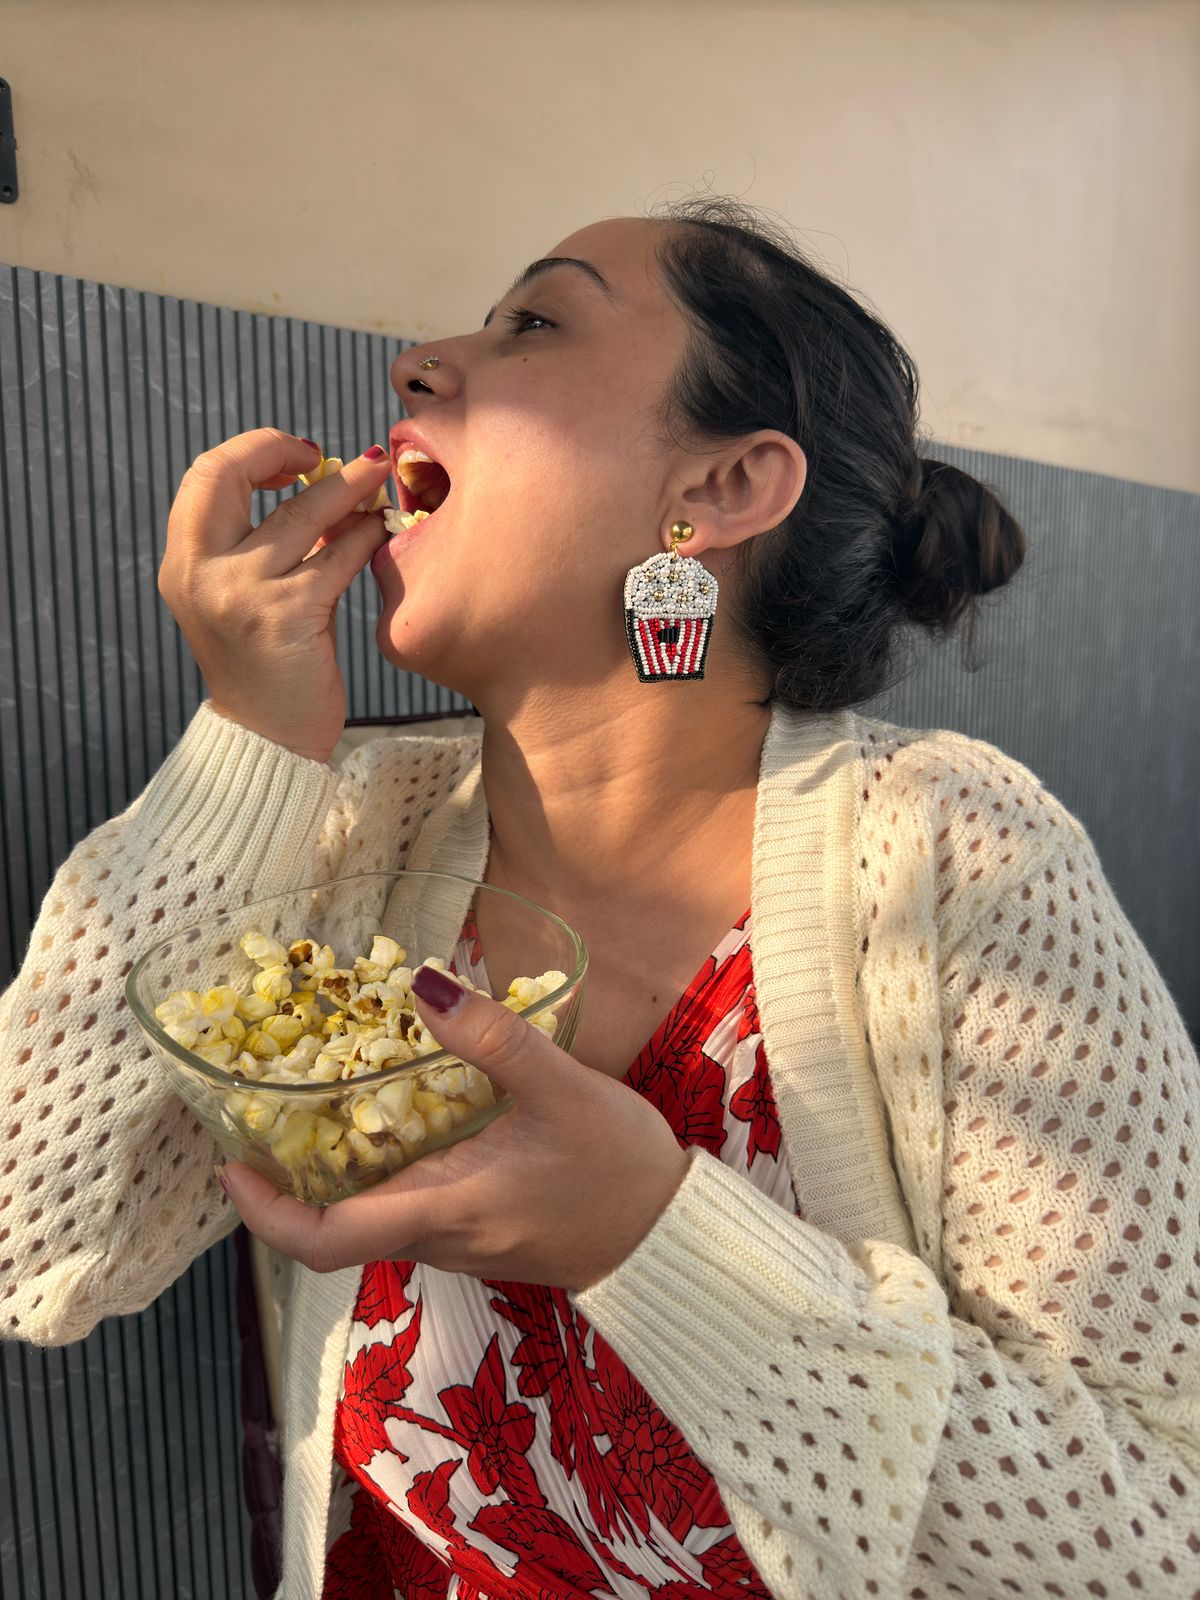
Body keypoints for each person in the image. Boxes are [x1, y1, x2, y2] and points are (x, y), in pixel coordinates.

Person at [1, 197, 1196, 1600]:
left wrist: (651, 1232)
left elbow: (1152, 1541)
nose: (420, 365)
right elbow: (47, 1247)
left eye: (535, 322)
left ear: (726, 489)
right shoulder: (351, 852)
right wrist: (249, 741)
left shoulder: (957, 863)